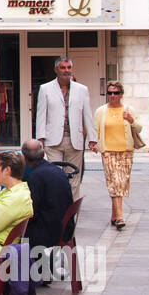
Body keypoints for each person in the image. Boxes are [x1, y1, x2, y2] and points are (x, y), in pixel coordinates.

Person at [35, 57, 96, 199]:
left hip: (75, 140)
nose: (66, 71)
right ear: (56, 70)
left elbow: (87, 115)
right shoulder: (45, 89)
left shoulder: (82, 90)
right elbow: (41, 115)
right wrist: (41, 139)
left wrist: (92, 139)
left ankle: (71, 213)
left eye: (68, 67)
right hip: (53, 141)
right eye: (63, 68)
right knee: (54, 177)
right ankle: (56, 210)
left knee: (74, 179)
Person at [93, 82, 143, 230]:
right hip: (108, 151)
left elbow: (139, 128)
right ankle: (120, 217)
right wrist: (94, 143)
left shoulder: (128, 110)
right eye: (110, 93)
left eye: (116, 93)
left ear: (121, 94)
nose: (113, 96)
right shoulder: (101, 111)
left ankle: (114, 215)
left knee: (121, 181)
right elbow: (96, 129)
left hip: (126, 151)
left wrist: (131, 120)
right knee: (113, 181)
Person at [20, 139, 72, 251]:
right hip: (64, 226)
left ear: (24, 157)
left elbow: (31, 212)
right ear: (43, 153)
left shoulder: (35, 177)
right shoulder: (58, 171)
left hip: (48, 233)